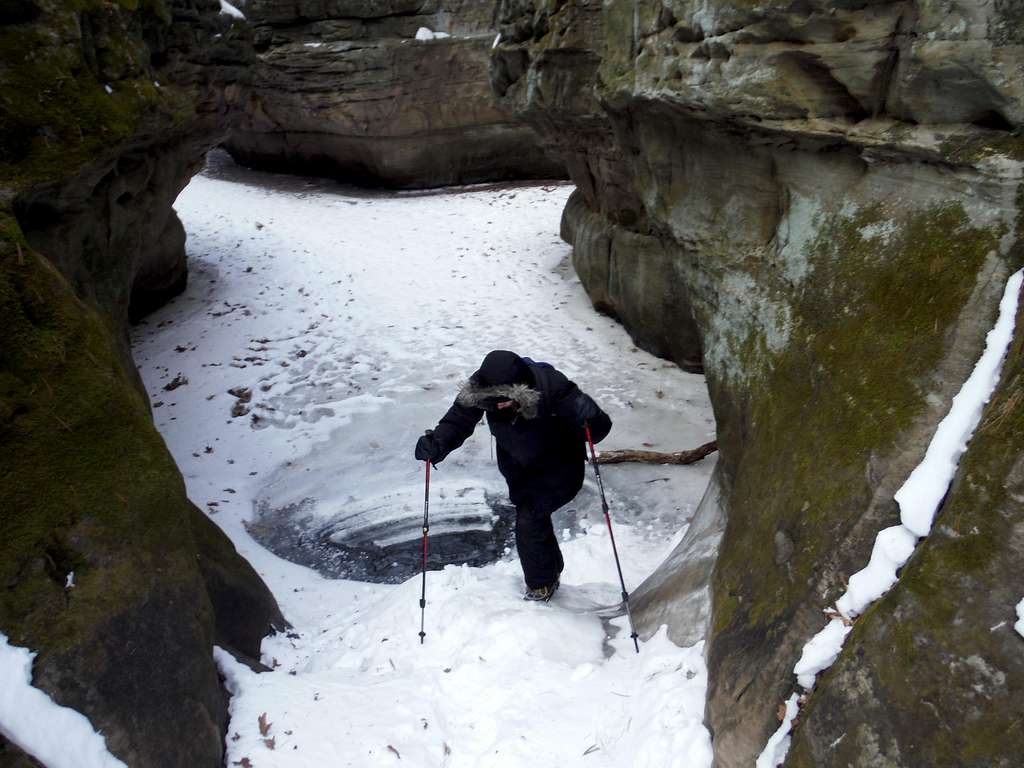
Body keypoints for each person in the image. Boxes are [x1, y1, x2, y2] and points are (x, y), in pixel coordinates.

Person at [414, 350, 612, 601]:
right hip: (517, 466)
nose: (500, 406)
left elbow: (598, 428)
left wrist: (592, 419)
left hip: (560, 465)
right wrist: (437, 443)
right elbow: (459, 420)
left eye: (507, 400)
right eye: (494, 402)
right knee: (530, 515)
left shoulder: (553, 386)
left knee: (530, 519)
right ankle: (550, 572)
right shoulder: (480, 386)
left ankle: (541, 585)